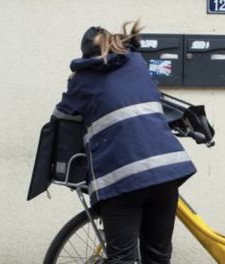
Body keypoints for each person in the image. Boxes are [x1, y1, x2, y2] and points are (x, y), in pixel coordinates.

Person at [52, 21, 197, 264]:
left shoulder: (81, 80)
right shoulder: (137, 63)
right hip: (165, 171)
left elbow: (61, 116)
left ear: (85, 53)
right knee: (158, 256)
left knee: (122, 258)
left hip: (121, 179)